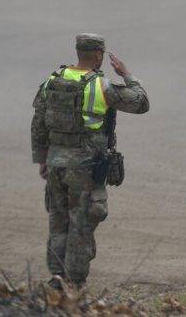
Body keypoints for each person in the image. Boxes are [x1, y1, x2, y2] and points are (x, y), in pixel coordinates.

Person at [31, 34, 149, 288]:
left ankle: (56, 277)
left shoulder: (52, 80)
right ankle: (74, 282)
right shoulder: (100, 86)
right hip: (84, 167)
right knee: (81, 224)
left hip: (55, 164)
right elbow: (141, 102)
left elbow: (38, 123)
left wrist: (42, 158)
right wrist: (126, 74)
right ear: (98, 55)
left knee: (57, 221)